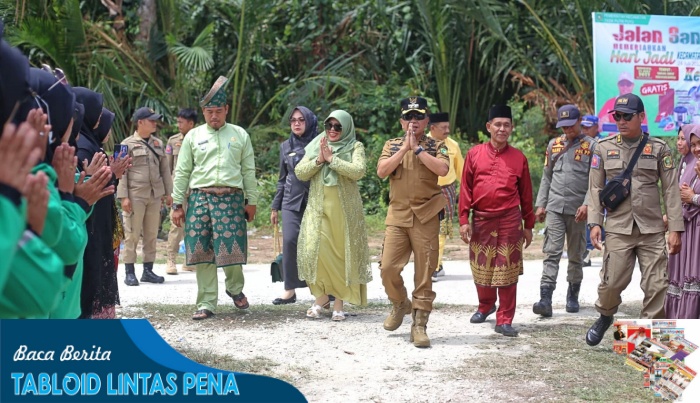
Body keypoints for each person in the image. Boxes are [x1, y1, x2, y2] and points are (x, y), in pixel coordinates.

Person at [586, 94, 683, 346]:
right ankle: (606, 316)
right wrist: (595, 223)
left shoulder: (659, 149)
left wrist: (675, 228)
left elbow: (671, 191)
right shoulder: (603, 148)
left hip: (651, 229)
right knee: (610, 284)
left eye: (627, 116)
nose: (621, 121)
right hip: (618, 229)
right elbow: (595, 189)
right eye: (617, 116)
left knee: (656, 287)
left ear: (641, 117)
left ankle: (646, 344)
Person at [171, 76, 258, 320]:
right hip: (200, 199)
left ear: (226, 109)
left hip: (231, 199)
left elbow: (248, 171)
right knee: (202, 251)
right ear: (203, 112)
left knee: (231, 250)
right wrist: (177, 204)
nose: (214, 116)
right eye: (209, 112)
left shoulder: (240, 135)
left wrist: (252, 201)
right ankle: (206, 302)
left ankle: (235, 289)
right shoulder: (193, 136)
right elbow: (182, 172)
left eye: (218, 111)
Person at [377, 96, 449, 348]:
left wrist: (418, 149)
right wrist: (405, 149)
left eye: (418, 116)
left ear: (427, 120)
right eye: (408, 116)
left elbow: (442, 170)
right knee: (387, 268)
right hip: (398, 216)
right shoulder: (391, 144)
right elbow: (382, 171)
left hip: (426, 216)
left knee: (425, 271)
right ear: (401, 121)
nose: (413, 121)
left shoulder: (436, 145)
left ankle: (419, 324)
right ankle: (400, 304)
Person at [458, 105, 534, 338]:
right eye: (498, 124)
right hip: (481, 219)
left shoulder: (518, 157)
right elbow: (466, 189)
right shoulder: (474, 154)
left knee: (507, 271)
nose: (502, 129)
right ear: (488, 127)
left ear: (511, 128)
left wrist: (528, 225)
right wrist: (463, 219)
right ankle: (485, 306)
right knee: (481, 267)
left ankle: (505, 318)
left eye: (506, 125)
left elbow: (526, 194)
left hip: (510, 220)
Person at [295, 110, 371, 320]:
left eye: (338, 127)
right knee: (314, 252)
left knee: (340, 254)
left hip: (344, 211)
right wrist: (320, 160)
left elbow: (358, 171)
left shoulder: (355, 146)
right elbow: (300, 172)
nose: (333, 130)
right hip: (318, 208)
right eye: (329, 126)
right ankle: (321, 297)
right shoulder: (318, 143)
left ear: (346, 128)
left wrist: (332, 159)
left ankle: (338, 302)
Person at [533, 105, 596, 317]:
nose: (567, 130)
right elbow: (547, 176)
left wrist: (587, 204)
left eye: (571, 126)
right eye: (564, 127)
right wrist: (541, 204)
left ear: (579, 122)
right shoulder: (554, 145)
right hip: (555, 208)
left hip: (578, 210)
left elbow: (595, 181)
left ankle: (573, 294)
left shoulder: (592, 146)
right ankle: (545, 298)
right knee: (552, 252)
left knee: (576, 255)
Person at [117, 107, 173, 286]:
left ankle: (148, 270)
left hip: (154, 195)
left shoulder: (158, 143)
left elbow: (165, 170)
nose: (155, 123)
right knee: (131, 234)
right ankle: (129, 271)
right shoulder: (125, 144)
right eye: (151, 120)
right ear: (140, 122)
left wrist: (168, 193)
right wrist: (123, 196)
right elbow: (121, 172)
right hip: (135, 195)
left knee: (151, 233)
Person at [270, 106, 319, 304]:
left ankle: (325, 288)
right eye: (293, 120)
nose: (296, 124)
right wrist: (275, 206)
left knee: (318, 243)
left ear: (309, 121)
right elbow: (282, 179)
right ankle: (289, 289)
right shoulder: (285, 146)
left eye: (301, 120)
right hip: (291, 200)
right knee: (290, 241)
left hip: (316, 200)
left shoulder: (320, 143)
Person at [665, 124, 700, 319]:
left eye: (698, 143)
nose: (696, 148)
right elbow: (680, 196)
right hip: (688, 228)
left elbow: (689, 197)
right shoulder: (691, 165)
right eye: (693, 143)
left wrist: (693, 198)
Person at [427, 112, 464, 281]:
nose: (447, 130)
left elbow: (462, 173)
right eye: (443, 128)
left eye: (448, 127)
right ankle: (436, 264)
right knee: (425, 230)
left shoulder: (453, 145)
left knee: (441, 230)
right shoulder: (422, 143)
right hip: (425, 191)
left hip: (446, 192)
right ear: (432, 128)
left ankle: (434, 266)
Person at [165, 108, 198, 274]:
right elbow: (168, 168)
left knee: (194, 226)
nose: (178, 125)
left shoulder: (201, 139)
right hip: (179, 190)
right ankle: (170, 259)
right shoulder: (173, 141)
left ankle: (189, 260)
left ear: (191, 123)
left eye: (181, 122)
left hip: (197, 189)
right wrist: (170, 192)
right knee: (176, 225)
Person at [581, 115, 604, 267]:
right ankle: (586, 250)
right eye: (583, 127)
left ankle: (587, 251)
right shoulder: (580, 143)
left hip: (601, 186)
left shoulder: (602, 143)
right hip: (583, 186)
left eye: (589, 127)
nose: (585, 130)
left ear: (597, 127)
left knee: (594, 217)